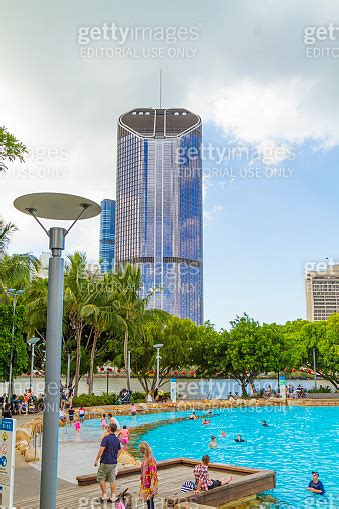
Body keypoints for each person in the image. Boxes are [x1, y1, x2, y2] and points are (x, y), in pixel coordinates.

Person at [94, 423, 121, 503]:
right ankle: (113, 496)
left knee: (101, 478)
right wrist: (115, 457)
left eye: (107, 427)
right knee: (112, 479)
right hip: (113, 463)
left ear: (109, 429)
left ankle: (104, 495)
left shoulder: (106, 438)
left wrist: (96, 460)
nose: (107, 428)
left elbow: (101, 450)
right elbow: (119, 451)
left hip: (105, 462)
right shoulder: (117, 439)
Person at [139, 441, 158, 509]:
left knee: (150, 500)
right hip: (146, 482)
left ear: (144, 450)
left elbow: (153, 473)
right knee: (148, 500)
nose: (140, 452)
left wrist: (152, 484)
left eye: (141, 450)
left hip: (150, 482)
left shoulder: (150, 459)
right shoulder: (146, 457)